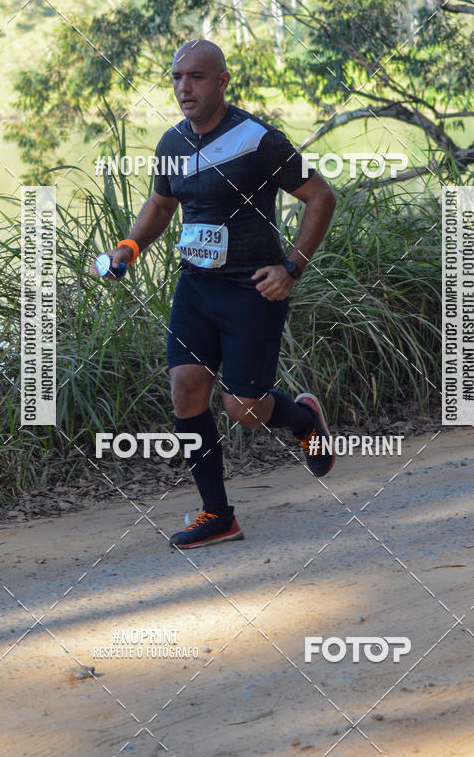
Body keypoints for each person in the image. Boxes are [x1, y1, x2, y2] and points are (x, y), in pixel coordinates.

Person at [94, 39, 337, 549]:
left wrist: (291, 268)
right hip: (196, 286)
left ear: (223, 81)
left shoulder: (258, 140)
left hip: (253, 289)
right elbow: (161, 206)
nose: (185, 87)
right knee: (186, 389)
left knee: (244, 408)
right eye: (177, 77)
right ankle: (217, 515)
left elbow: (321, 197)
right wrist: (128, 248)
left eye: (197, 77)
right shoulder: (172, 143)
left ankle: (304, 419)